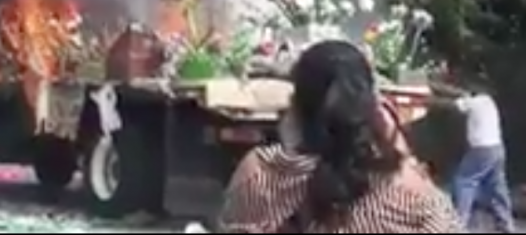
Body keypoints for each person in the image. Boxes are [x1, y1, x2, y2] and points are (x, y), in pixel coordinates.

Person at [218, 39, 462, 232]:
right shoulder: (410, 196)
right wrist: (401, 152)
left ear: (296, 104)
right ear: (372, 109)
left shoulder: (258, 173)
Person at [451, 78, 514, 231]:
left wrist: (429, 99)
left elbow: (454, 105)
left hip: (482, 149)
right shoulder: (488, 101)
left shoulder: (475, 102)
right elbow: (460, 95)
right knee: (497, 186)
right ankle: (506, 224)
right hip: (498, 149)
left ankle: (459, 224)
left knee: (464, 181)